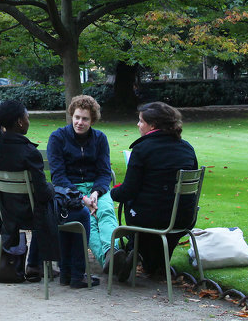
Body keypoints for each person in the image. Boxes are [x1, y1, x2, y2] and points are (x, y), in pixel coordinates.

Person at [109, 102, 198, 282]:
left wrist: (112, 194)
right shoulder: (186, 147)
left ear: (153, 125)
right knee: (158, 211)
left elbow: (128, 190)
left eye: (141, 121)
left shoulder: (142, 149)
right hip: (184, 217)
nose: (138, 125)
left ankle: (138, 254)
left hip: (151, 219)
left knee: (140, 213)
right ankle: (153, 263)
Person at [0, 100, 60, 284]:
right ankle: (72, 268)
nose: (29, 121)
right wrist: (53, 189)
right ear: (20, 122)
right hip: (31, 215)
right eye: (27, 117)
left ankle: (36, 264)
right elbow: (42, 193)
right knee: (68, 209)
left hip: (7, 214)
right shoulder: (29, 152)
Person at [46, 95, 120, 286]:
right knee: (89, 220)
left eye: (85, 119)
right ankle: (110, 262)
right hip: (70, 190)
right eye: (77, 117)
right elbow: (58, 177)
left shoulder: (100, 139)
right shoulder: (58, 137)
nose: (80, 122)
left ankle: (114, 253)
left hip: (96, 188)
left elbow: (104, 173)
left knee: (105, 211)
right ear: (71, 115)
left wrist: (96, 193)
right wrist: (82, 198)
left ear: (92, 120)